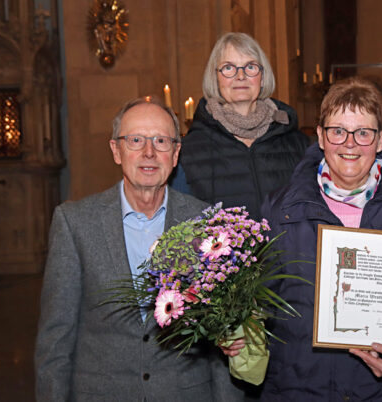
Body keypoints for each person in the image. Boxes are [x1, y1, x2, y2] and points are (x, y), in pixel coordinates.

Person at [224, 77, 382, 400]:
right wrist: (236, 327)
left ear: (380, 140)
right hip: (298, 390)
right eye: (338, 131)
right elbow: (260, 301)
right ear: (320, 136)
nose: (350, 144)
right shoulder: (282, 209)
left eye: (363, 132)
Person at [34, 98, 244, 401]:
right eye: (135, 140)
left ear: (175, 154)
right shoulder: (75, 223)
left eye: (161, 141)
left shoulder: (206, 225)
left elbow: (221, 341)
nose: (149, 152)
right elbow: (55, 340)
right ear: (116, 151)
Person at [172, 32, 309, 219]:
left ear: (262, 76)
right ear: (215, 78)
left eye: (250, 67)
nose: (241, 76)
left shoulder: (298, 143)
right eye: (229, 68)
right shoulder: (188, 151)